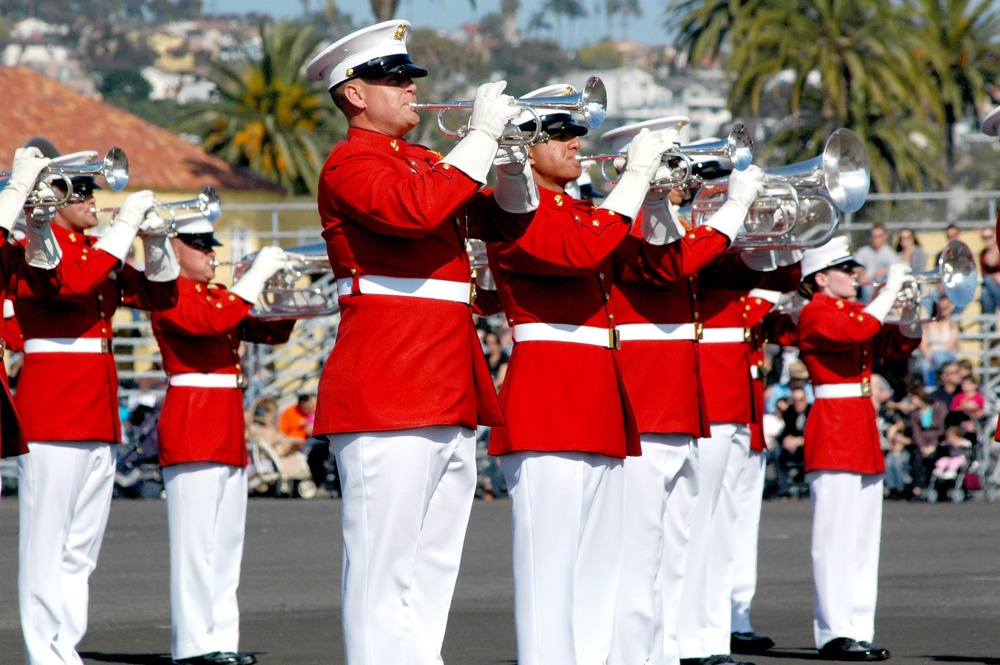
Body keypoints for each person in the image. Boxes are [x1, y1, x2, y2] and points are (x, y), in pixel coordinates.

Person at [485, 99, 749, 665]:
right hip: (549, 400)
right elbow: (581, 251)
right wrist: (632, 179)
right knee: (549, 576)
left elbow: (661, 260)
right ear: (523, 147)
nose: (576, 142)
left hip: (601, 402)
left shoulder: (586, 213)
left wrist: (653, 192)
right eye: (558, 134)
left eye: (578, 132)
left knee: (600, 572)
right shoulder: (516, 213)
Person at [305, 19, 534, 664]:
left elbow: (507, 220)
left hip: (443, 381)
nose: (410, 89)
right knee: (384, 570)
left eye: (410, 78)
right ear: (355, 94)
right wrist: (483, 135)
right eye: (393, 79)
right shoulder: (350, 162)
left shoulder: (427, 162)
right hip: (390, 383)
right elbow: (413, 211)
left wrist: (512, 158)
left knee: (433, 569)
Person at [597, 118, 763, 665]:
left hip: (678, 404)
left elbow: (766, 276)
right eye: (672, 160)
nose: (684, 173)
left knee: (675, 544)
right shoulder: (623, 224)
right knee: (638, 549)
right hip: (645, 402)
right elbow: (679, 264)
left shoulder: (659, 219)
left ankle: (670, 649)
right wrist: (735, 208)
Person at [15, 142, 179, 665]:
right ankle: (44, 653)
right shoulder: (35, 243)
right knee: (47, 544)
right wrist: (126, 225)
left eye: (90, 187)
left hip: (95, 409)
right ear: (53, 197)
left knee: (80, 549)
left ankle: (66, 646)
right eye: (79, 189)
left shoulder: (93, 247)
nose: (92, 197)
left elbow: (160, 296)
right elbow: (75, 282)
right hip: (54, 408)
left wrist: (156, 242)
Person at [151, 213, 295, 665]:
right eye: (200, 246)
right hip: (194, 426)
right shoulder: (168, 294)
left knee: (225, 548)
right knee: (196, 548)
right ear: (175, 250)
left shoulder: (219, 296)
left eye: (211, 245)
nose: (212, 252)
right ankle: (193, 646)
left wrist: (285, 288)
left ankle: (220, 641)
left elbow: (273, 331)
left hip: (225, 429)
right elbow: (210, 324)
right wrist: (254, 278)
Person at [795, 235, 920, 661]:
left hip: (860, 428)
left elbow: (896, 344)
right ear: (821, 278)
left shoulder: (850, 309)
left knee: (864, 541)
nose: (854, 274)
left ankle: (857, 628)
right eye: (845, 269)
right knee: (834, 539)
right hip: (833, 428)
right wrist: (887, 294)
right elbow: (857, 331)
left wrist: (911, 311)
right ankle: (833, 631)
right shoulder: (814, 313)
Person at [916, 295, 959, 387]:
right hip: (930, 355)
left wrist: (936, 356)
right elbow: (923, 344)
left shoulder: (952, 324)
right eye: (942, 308)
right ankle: (930, 388)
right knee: (925, 365)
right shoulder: (928, 325)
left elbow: (950, 345)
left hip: (946, 354)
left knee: (940, 361)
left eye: (946, 308)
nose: (944, 311)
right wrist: (929, 355)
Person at [854, 223, 899, 303]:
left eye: (879, 236)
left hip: (881, 285)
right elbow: (856, 266)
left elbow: (893, 273)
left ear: (885, 236)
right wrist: (861, 274)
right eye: (873, 236)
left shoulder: (891, 255)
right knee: (866, 286)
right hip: (864, 284)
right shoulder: (864, 251)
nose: (876, 239)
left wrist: (884, 271)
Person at [977, 226, 1000, 316]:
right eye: (984, 238)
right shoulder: (983, 255)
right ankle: (990, 324)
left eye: (990, 237)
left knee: (987, 284)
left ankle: (988, 323)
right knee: (985, 292)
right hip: (992, 288)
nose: (987, 240)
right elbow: (984, 274)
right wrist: (995, 276)